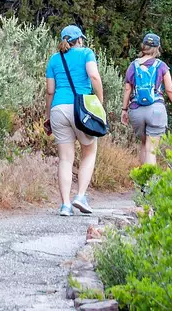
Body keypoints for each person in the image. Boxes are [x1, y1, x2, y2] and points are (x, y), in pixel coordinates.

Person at [40, 24, 104, 216]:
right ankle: (80, 196)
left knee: (65, 159)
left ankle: (65, 205)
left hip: (58, 108)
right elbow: (93, 75)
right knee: (89, 152)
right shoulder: (86, 53)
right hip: (81, 108)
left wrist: (48, 115)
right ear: (79, 39)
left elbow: (50, 90)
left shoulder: (53, 59)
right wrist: (100, 101)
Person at [122, 32, 172, 169]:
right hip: (156, 110)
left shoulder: (133, 65)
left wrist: (124, 110)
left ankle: (142, 183)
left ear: (143, 46)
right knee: (151, 149)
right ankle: (150, 186)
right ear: (158, 47)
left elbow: (127, 90)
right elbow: (170, 89)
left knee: (143, 144)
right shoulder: (161, 66)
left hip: (136, 110)